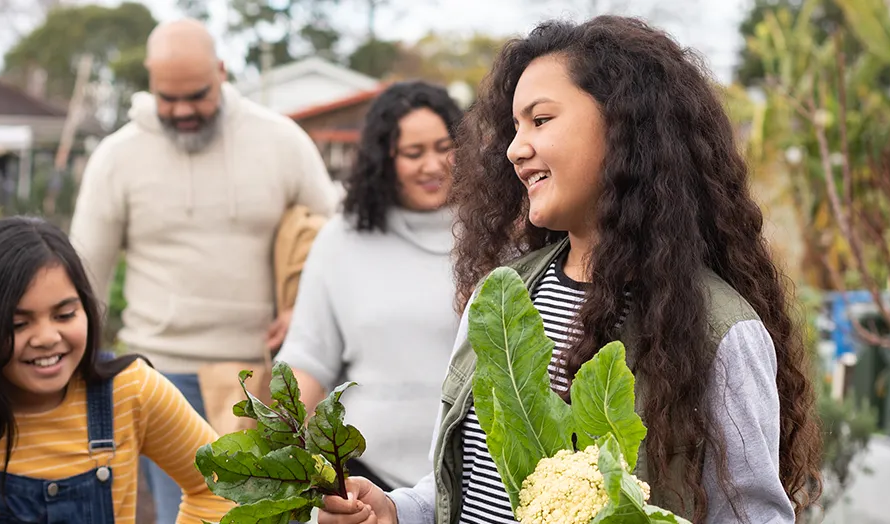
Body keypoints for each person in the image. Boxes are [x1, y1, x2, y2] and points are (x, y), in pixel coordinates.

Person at [317, 16, 823, 524]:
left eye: (540, 120)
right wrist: (392, 510)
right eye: (514, 127)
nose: (515, 148)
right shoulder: (501, 299)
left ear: (626, 127)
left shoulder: (719, 330)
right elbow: (460, 493)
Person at [68, 18, 338, 521]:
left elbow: (336, 241)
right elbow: (85, 278)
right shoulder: (117, 157)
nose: (183, 110)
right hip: (160, 376)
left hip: (263, 379)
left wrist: (304, 312)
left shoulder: (282, 141)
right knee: (191, 515)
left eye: (196, 94)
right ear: (150, 83)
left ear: (221, 71)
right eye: (168, 98)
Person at [0, 217, 232, 524]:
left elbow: (222, 486)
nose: (47, 337)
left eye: (64, 315)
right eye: (17, 323)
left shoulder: (130, 392)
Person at [276, 81, 464, 491]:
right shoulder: (341, 240)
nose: (432, 165)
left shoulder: (502, 235)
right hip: (365, 480)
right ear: (383, 160)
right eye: (413, 153)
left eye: (443, 146)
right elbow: (307, 360)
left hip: (480, 482)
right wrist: (274, 458)